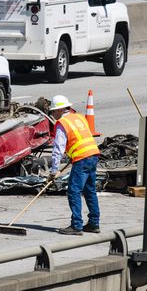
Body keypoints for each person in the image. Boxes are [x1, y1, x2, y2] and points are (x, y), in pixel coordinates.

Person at [48, 95, 100, 235]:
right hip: (92, 154)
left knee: (74, 191)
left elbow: (58, 149)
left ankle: (76, 225)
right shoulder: (79, 117)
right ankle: (94, 223)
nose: (53, 114)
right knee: (90, 190)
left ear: (59, 110)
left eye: (53, 111)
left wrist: (53, 171)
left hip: (82, 158)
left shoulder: (62, 124)